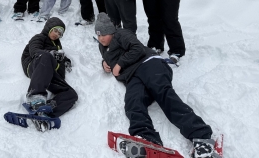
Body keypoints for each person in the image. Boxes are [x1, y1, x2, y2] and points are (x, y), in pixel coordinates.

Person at [94, 12, 219, 158]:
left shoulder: (121, 34)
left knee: (163, 94)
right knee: (133, 103)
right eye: (98, 35)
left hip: (149, 64)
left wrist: (120, 64)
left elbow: (137, 48)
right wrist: (104, 63)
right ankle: (146, 139)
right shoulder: (103, 46)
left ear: (112, 31)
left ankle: (202, 137)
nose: (101, 38)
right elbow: (108, 57)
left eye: (104, 34)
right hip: (133, 76)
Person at [21, 17, 78, 131]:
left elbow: (59, 57)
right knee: (46, 56)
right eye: (55, 30)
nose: (57, 34)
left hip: (50, 74)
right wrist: (51, 54)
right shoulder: (39, 38)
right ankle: (35, 98)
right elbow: (34, 51)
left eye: (60, 33)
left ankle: (45, 113)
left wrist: (65, 61)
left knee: (71, 94)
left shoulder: (58, 46)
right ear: (49, 28)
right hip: (36, 66)